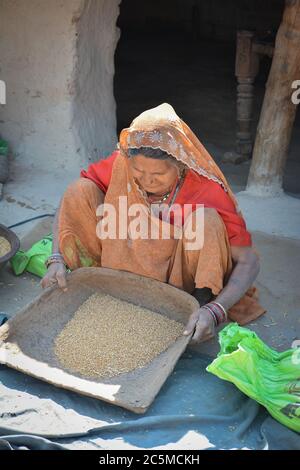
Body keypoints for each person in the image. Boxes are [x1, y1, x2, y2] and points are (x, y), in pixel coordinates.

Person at [41, 103, 265, 343]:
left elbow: (248, 260)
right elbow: (69, 206)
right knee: (79, 190)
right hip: (117, 268)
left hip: (178, 282)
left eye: (158, 175)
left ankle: (197, 305)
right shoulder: (121, 164)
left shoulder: (206, 189)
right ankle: (97, 279)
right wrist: (57, 257)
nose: (147, 181)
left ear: (180, 165)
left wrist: (217, 310)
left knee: (206, 220)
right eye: (138, 171)